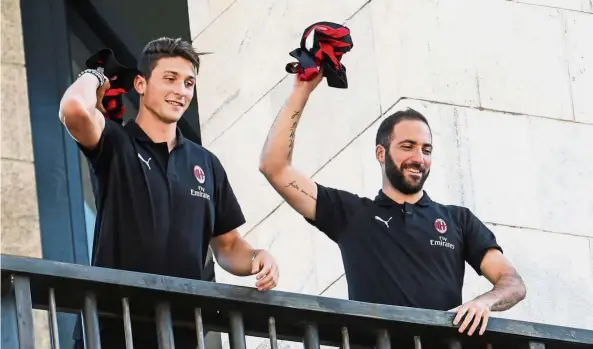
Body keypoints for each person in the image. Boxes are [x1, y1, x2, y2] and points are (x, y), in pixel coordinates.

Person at [258, 72, 526, 341]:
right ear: (380, 153)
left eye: (426, 149)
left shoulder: (458, 220)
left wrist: (484, 302)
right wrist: (301, 90)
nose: (418, 158)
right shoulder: (351, 213)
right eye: (407, 146)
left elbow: (512, 282)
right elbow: (275, 168)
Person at [59, 37, 279, 348]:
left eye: (188, 83)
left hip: (180, 333)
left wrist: (258, 257)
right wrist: (95, 75)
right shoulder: (117, 144)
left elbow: (228, 246)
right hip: (110, 330)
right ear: (141, 84)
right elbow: (73, 109)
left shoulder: (206, 163)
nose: (181, 91)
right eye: (170, 79)